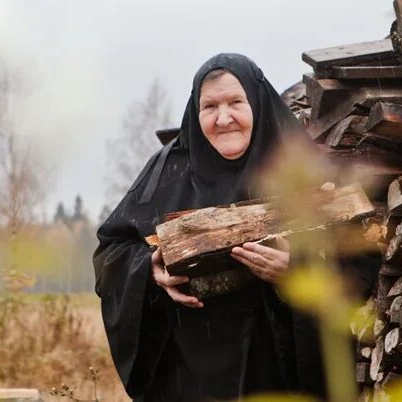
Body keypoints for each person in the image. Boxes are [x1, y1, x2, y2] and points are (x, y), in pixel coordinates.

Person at [94, 53, 378, 402]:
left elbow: (365, 264)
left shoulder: (305, 169)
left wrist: (297, 269)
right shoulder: (167, 171)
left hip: (282, 375)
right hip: (191, 379)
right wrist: (150, 269)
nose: (223, 118)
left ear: (257, 103)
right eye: (209, 106)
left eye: (235, 102)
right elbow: (112, 250)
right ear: (195, 112)